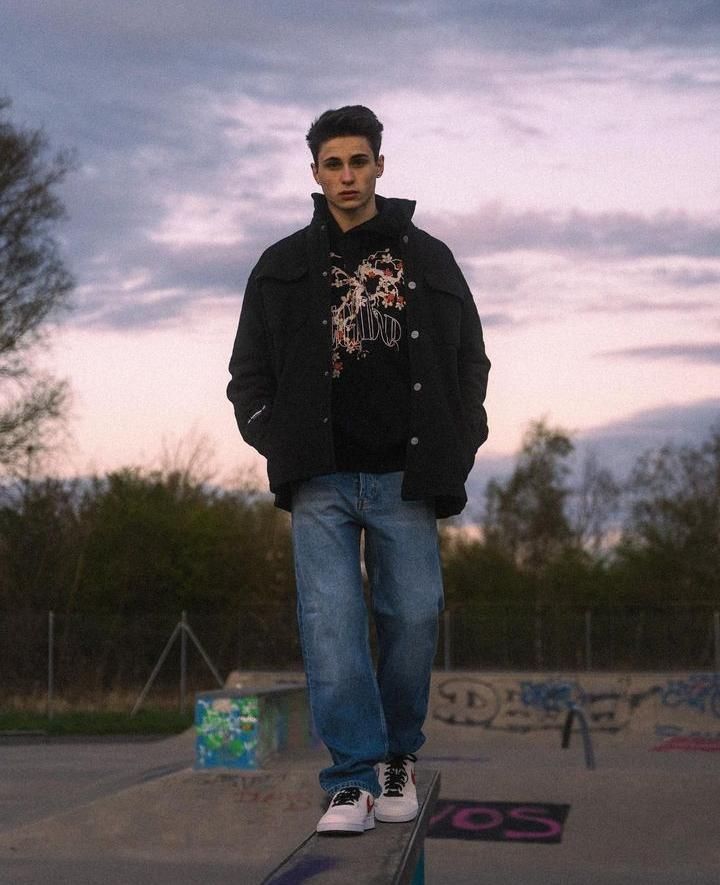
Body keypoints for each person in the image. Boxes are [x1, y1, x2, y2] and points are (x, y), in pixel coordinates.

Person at [227, 105, 490, 835]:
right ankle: (350, 779)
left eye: (359, 161)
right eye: (333, 164)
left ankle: (396, 756)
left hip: (405, 477)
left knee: (411, 616)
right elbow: (247, 375)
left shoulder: (427, 257)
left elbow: (472, 357)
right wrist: (272, 437)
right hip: (321, 478)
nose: (347, 176)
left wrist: (462, 439)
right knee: (332, 624)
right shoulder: (282, 266)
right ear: (315, 173)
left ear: (380, 165)